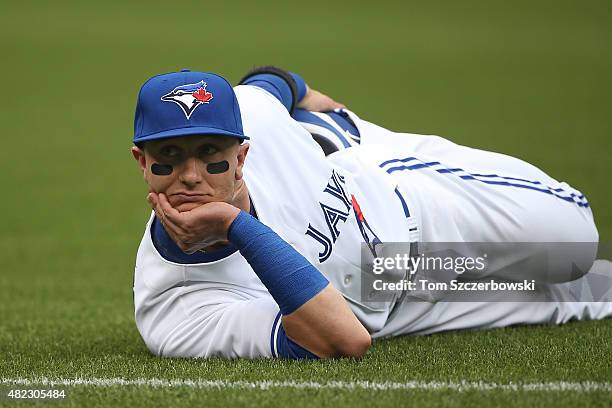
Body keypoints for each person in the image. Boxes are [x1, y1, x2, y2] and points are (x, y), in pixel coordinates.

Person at [131, 67, 612, 360]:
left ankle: (337, 131)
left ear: (241, 155)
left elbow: (271, 83)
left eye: (209, 152)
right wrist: (238, 226)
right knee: (593, 287)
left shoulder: (252, 112)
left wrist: (312, 99)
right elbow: (342, 341)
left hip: (410, 196)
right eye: (168, 157)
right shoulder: (174, 309)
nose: (190, 175)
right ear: (142, 162)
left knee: (577, 244)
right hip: (402, 292)